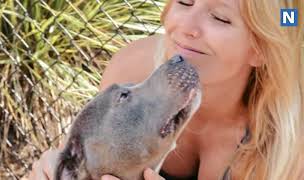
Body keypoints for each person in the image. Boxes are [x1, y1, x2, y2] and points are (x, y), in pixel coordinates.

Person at [29, 0, 304, 179]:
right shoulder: (132, 70)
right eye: (184, 2)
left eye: (220, 18)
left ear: (259, 50)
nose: (186, 28)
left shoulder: (290, 141)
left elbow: (289, 21)